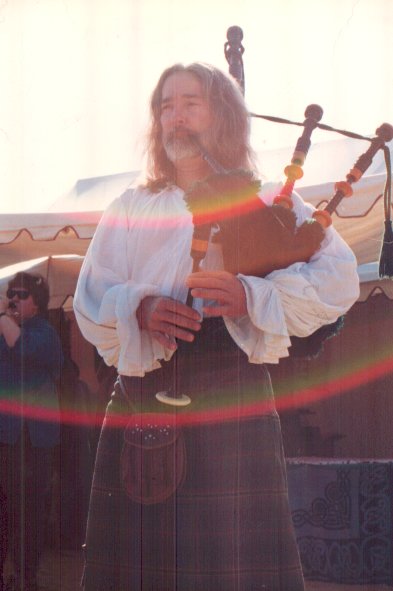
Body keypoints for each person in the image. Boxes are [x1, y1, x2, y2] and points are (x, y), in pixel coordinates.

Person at [74, 62, 360, 591]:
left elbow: (338, 280)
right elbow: (90, 295)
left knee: (234, 569)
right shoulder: (133, 205)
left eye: (191, 103)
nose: (176, 117)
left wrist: (252, 294)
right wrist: (137, 308)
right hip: (141, 395)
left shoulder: (265, 203)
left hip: (233, 395)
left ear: (222, 117)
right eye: (166, 106)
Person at [0, 272, 63, 591]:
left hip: (32, 439)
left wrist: (1, 316)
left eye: (21, 294)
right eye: (10, 292)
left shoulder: (45, 332)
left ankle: (26, 577)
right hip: (5, 437)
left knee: (29, 511)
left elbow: (24, 351)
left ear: (37, 303)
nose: (12, 299)